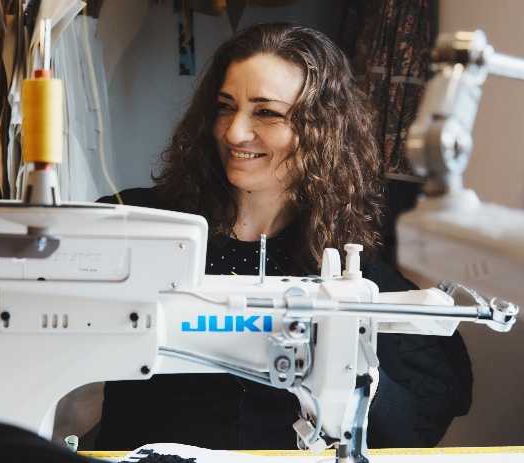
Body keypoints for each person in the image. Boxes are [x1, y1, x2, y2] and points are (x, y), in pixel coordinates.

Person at [94, 23, 472, 451]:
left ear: (321, 131)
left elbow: (413, 432)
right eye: (225, 106)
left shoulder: (348, 266)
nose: (235, 132)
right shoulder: (134, 225)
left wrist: (354, 372)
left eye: (266, 112)